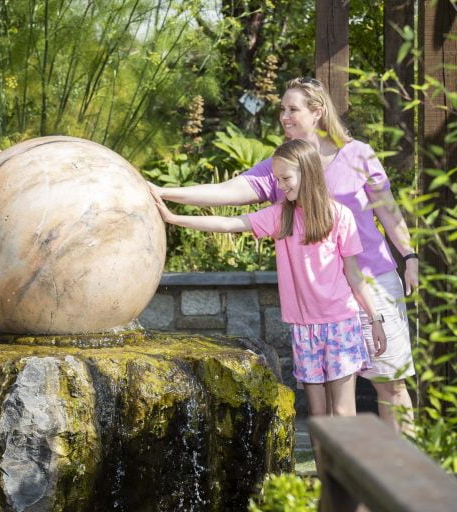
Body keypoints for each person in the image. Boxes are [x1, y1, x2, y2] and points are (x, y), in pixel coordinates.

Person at [150, 77, 416, 435]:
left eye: (293, 109)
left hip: (371, 280)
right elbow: (227, 192)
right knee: (331, 405)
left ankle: (401, 468)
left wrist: (409, 255)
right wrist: (165, 193)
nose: (284, 116)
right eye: (282, 109)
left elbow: (388, 210)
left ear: (317, 111)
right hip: (322, 303)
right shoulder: (280, 166)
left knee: (390, 386)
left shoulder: (357, 154)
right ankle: (340, 469)